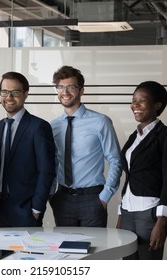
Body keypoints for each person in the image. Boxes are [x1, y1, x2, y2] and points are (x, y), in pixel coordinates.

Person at [50, 65, 121, 227]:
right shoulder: (54, 125)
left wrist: (104, 197)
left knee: (94, 251)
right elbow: (53, 162)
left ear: (81, 91)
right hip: (62, 199)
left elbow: (115, 160)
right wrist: (51, 195)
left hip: (92, 199)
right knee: (65, 251)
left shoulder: (101, 121)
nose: (65, 92)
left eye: (71, 87)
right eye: (60, 87)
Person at [116, 81, 167, 260]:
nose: (134, 105)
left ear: (157, 105)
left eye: (141, 101)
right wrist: (121, 212)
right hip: (128, 211)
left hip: (150, 212)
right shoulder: (133, 138)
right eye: (133, 100)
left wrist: (162, 221)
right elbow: (130, 176)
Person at [0, 71, 56, 227]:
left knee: (24, 252)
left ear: (25, 94)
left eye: (15, 92)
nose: (9, 97)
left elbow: (47, 170)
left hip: (26, 210)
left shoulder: (38, 126)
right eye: (4, 92)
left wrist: (37, 207)